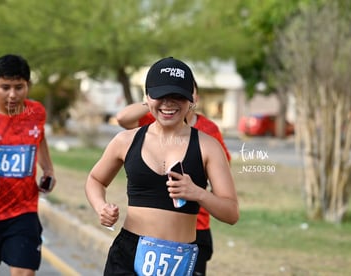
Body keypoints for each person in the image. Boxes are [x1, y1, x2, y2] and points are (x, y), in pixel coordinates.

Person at [85, 57, 239, 275]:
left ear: (191, 100)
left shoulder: (208, 146)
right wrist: (101, 207)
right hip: (128, 255)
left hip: (179, 260)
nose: (168, 103)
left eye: (177, 96)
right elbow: (95, 179)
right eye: (160, 95)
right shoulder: (125, 140)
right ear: (148, 98)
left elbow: (231, 213)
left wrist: (198, 193)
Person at [116, 80, 231, 276]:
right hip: (142, 237)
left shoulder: (208, 134)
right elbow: (123, 119)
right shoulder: (155, 121)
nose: (172, 100)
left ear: (194, 98)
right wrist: (156, 99)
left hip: (195, 228)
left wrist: (198, 192)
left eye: (181, 93)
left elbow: (223, 181)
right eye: (167, 92)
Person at [0, 54, 56, 276]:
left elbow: (40, 138)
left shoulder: (36, 112)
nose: (13, 95)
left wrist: (48, 169)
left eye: (19, 87)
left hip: (22, 210)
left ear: (28, 85)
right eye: (5, 87)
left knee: (24, 271)